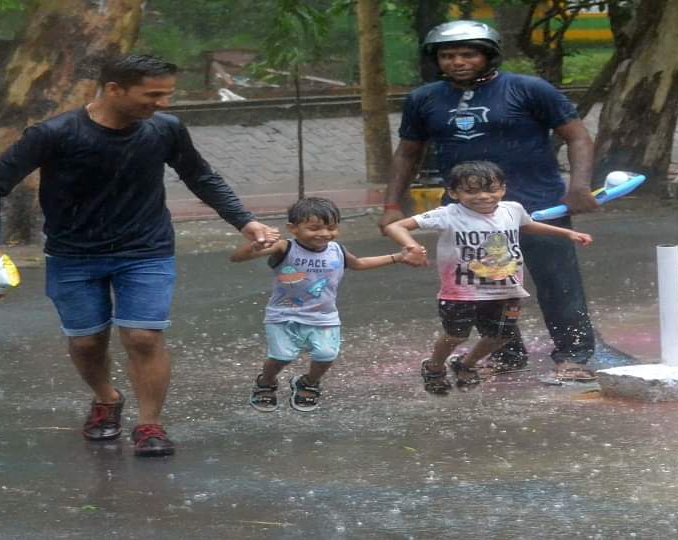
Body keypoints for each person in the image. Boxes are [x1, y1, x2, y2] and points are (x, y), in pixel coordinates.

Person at [0, 54, 279, 457]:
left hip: (145, 249)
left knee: (143, 336)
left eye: (167, 94)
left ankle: (150, 425)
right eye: (153, 94)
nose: (163, 103)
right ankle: (106, 398)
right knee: (87, 343)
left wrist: (245, 221)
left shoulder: (164, 129)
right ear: (114, 89)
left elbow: (200, 176)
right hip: (73, 254)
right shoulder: (55, 134)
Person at [378, 20, 601, 382]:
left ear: (488, 55)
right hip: (469, 217)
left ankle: (573, 355)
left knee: (556, 281)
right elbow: (407, 153)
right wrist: (391, 204)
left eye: (468, 54)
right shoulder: (425, 99)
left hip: (537, 205)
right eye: (448, 55)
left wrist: (579, 185)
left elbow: (577, 136)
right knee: (485, 286)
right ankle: (506, 352)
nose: (457, 62)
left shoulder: (528, 89)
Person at [385, 161, 592, 393]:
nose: (483, 196)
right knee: (455, 335)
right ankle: (434, 366)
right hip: (461, 291)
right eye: (471, 191)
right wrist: (411, 246)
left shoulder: (512, 209)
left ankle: (466, 364)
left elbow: (528, 225)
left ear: (503, 189)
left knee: (500, 336)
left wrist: (568, 233)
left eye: (491, 190)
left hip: (506, 289)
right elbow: (396, 226)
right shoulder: (448, 214)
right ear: (453, 193)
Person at [231, 197, 426, 412]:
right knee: (281, 356)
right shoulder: (284, 247)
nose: (324, 234)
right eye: (314, 228)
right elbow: (236, 258)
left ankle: (308, 382)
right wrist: (254, 246)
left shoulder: (336, 250)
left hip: (324, 316)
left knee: (326, 356)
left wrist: (398, 256)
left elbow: (359, 264)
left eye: (331, 228)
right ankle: (266, 382)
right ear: (292, 228)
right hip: (284, 314)